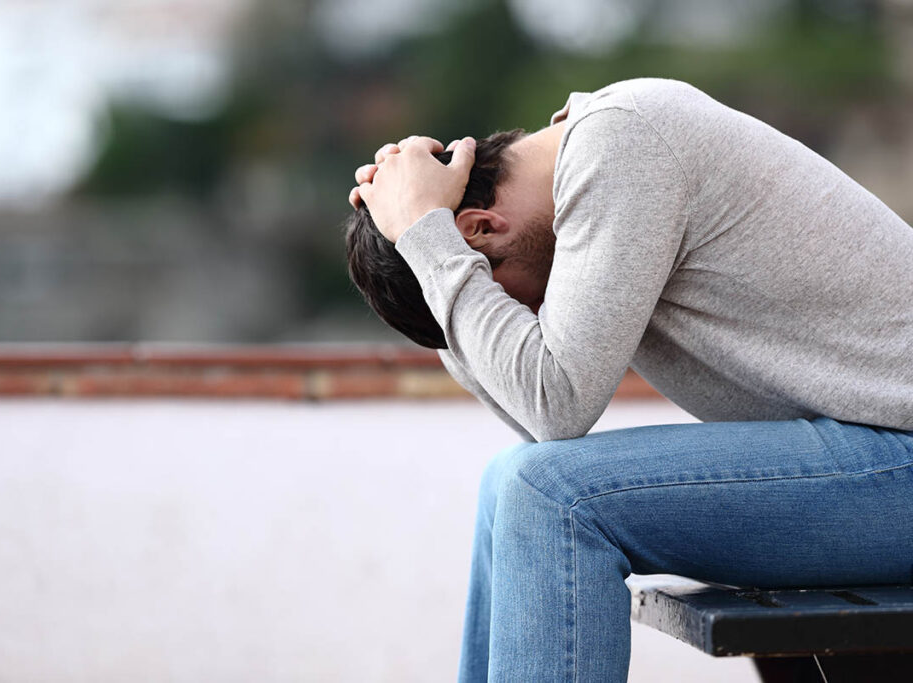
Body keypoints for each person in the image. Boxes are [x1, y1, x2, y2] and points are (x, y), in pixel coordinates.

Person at [344, 78, 913, 682]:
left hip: (897, 455)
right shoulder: (595, 170)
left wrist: (429, 241)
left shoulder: (622, 145)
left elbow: (553, 406)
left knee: (552, 494)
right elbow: (535, 421)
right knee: (507, 480)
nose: (518, 325)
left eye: (501, 300)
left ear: (482, 230)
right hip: (873, 455)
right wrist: (430, 246)